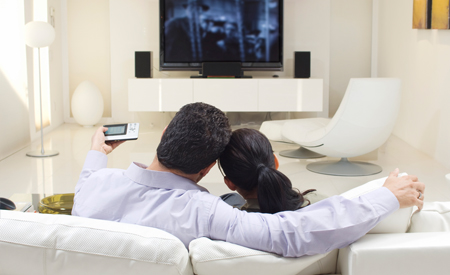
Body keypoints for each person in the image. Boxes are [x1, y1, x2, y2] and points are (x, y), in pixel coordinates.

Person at [72, 102, 425, 258]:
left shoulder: (94, 186)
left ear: (164, 133)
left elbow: (89, 176)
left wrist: (97, 152)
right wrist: (386, 196)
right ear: (210, 168)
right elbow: (292, 232)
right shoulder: (204, 212)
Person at [218, 128, 320, 213]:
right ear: (276, 162)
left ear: (229, 183)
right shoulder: (320, 203)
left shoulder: (232, 223)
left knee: (231, 198)